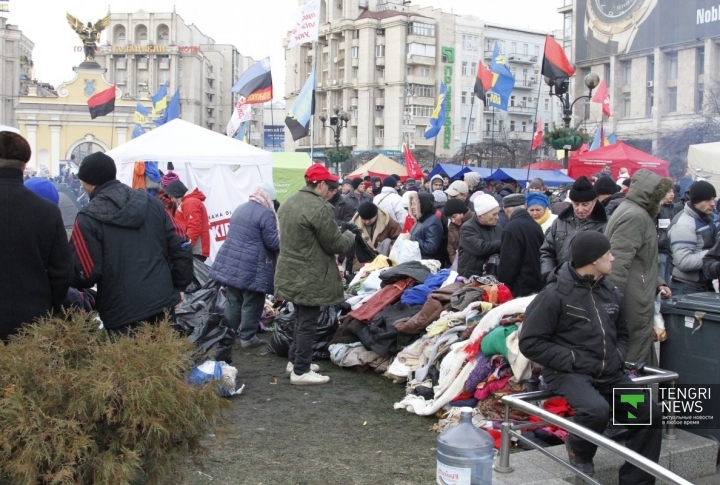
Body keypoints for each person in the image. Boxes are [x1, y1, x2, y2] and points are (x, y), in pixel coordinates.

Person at [519, 231, 661, 483]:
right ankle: (579, 449)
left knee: (646, 413)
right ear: (594, 259)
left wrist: (617, 356)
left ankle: (636, 481)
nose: (613, 258)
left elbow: (623, 334)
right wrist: (573, 359)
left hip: (610, 373)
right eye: (608, 254)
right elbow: (530, 342)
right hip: (569, 372)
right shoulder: (555, 294)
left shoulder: (610, 292)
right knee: (596, 411)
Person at [69, 153, 194, 335]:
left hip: (121, 313)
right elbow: (182, 244)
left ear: (91, 183)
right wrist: (179, 286)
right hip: (161, 304)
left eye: (82, 182)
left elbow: (85, 273)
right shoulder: (152, 203)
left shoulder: (87, 218)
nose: (81, 186)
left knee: (131, 363)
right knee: (164, 360)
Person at [275, 164, 357, 385]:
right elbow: (336, 245)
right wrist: (349, 234)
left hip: (290, 270)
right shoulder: (319, 208)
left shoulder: (289, 202)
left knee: (301, 318)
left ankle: (296, 361)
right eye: (328, 186)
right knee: (308, 321)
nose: (330, 191)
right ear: (320, 184)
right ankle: (300, 370)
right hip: (309, 273)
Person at [0, 132, 72, 341]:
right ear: (24, 166)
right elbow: (63, 271)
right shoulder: (47, 211)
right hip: (32, 319)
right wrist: (50, 304)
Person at [605, 169, 674, 365]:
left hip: (636, 294)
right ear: (650, 195)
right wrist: (612, 304)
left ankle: (640, 396)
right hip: (632, 301)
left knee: (640, 354)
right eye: (659, 196)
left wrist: (657, 282)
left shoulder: (633, 211)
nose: (663, 200)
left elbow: (641, 260)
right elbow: (617, 264)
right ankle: (631, 397)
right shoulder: (636, 216)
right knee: (634, 361)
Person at [209, 182, 279, 350]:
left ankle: (228, 334)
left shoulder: (240, 208)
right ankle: (247, 338)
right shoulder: (266, 213)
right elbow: (273, 242)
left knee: (234, 301)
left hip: (232, 263)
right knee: (252, 301)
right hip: (252, 265)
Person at [540, 176, 608, 282]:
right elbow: (547, 251)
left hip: (589, 286)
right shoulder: (560, 221)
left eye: (585, 204)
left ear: (594, 202)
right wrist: (549, 276)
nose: (580, 209)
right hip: (559, 283)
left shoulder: (605, 224)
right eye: (576, 204)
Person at [668, 180, 718, 295]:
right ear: (696, 201)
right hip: (687, 287)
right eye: (707, 200)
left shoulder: (706, 218)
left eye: (713, 198)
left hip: (703, 284)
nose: (712, 203)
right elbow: (683, 261)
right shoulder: (684, 224)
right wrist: (713, 255)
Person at [497, 194, 545, 297]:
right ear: (525, 205)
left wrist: (503, 283)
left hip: (520, 286)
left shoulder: (511, 228)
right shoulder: (535, 225)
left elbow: (508, 263)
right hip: (538, 282)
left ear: (505, 209)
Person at [457, 194, 503, 278]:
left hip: (493, 275)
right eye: (494, 214)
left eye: (497, 214)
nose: (497, 217)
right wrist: (505, 241)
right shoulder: (468, 228)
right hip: (470, 277)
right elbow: (480, 248)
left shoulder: (498, 228)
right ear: (481, 215)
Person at [165, 180, 210, 262]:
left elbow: (194, 227)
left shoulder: (190, 202)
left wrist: (186, 248)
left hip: (195, 250)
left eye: (171, 197)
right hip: (194, 248)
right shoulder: (189, 202)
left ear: (176, 193)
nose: (171, 200)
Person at [350, 202, 401, 271]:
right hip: (362, 264)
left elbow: (399, 239)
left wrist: (387, 246)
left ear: (376, 215)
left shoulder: (388, 221)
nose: (367, 222)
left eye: (369, 219)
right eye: (364, 219)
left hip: (384, 262)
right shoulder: (353, 225)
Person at [408, 192, 444, 261]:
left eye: (415, 204)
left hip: (428, 264)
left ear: (422, 204)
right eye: (411, 204)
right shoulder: (421, 219)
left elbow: (431, 248)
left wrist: (411, 238)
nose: (412, 207)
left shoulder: (433, 223)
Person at [444, 198, 473, 267]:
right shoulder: (451, 227)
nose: (453, 220)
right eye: (450, 218)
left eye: (454, 216)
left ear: (462, 212)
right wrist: (455, 263)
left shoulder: (474, 222)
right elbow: (451, 248)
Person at [657, 186, 676, 286]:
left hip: (670, 248)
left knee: (668, 278)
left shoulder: (674, 208)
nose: (672, 194)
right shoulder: (657, 208)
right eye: (669, 192)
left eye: (673, 192)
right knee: (660, 278)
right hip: (660, 248)